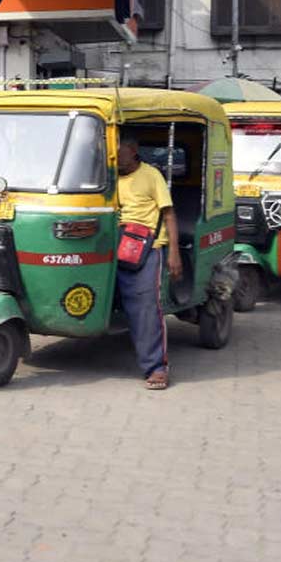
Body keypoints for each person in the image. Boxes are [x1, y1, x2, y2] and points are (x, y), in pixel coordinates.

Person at [116, 137, 182, 390]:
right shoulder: (109, 176)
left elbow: (169, 214)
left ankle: (156, 368)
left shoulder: (151, 175)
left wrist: (173, 253)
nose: (115, 157)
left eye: (119, 152)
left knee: (145, 306)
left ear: (133, 151)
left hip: (147, 247)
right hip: (116, 243)